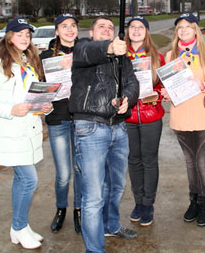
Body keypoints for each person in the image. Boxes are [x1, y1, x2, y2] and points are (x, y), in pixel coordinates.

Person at [0, 17, 52, 250]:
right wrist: (10, 110)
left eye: (27, 35)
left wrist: (43, 105)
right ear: (9, 36)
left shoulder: (27, 61)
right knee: (29, 180)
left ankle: (19, 226)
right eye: (19, 34)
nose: (24, 38)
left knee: (22, 180)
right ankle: (19, 227)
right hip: (11, 132)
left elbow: (28, 96)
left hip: (28, 130)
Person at [70, 16, 140, 253]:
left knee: (116, 185)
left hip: (119, 128)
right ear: (91, 32)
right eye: (102, 26)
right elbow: (88, 53)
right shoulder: (83, 48)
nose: (107, 29)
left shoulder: (123, 58)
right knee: (94, 195)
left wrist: (127, 99)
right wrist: (109, 47)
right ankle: (94, 249)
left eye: (111, 27)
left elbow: (132, 82)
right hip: (91, 128)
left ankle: (111, 225)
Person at [163, 13, 205, 227]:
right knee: (189, 161)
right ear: (176, 32)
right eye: (180, 27)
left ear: (196, 30)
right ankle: (194, 200)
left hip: (203, 114)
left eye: (188, 26)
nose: (184, 30)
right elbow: (167, 86)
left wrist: (203, 85)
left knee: (201, 161)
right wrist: (166, 94)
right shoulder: (170, 56)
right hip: (181, 116)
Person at [39, 13, 82, 234]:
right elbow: (39, 87)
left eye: (73, 26)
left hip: (82, 119)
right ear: (56, 31)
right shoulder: (47, 56)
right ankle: (61, 208)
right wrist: (42, 104)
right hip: (58, 120)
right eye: (64, 26)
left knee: (80, 169)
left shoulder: (85, 52)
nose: (69, 30)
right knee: (64, 173)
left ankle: (78, 209)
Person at [124, 16, 165, 227]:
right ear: (127, 31)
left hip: (150, 116)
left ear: (147, 32)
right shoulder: (120, 56)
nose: (137, 30)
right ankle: (138, 201)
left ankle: (148, 204)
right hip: (128, 116)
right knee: (133, 160)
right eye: (133, 27)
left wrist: (159, 93)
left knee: (149, 161)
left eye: (141, 27)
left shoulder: (157, 56)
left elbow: (163, 86)